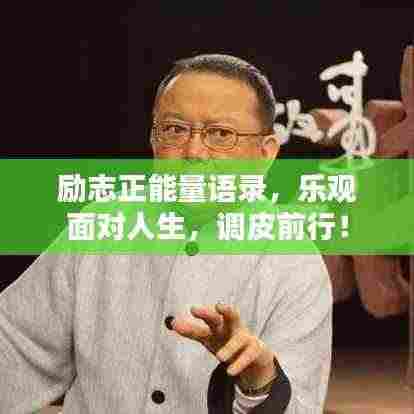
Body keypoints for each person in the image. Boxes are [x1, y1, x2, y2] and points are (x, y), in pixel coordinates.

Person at [0, 54, 333, 413]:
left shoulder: (293, 261)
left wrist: (260, 386)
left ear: (265, 154)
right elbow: (15, 345)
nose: (193, 152)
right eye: (175, 129)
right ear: (153, 140)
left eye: (221, 134)